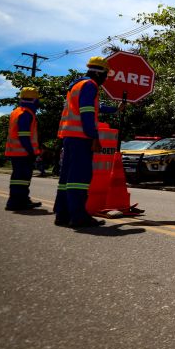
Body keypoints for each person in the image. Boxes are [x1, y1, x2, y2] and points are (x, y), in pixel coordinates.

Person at [53, 56, 121, 227]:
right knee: (79, 178)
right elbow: (87, 114)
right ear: (100, 73)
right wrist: (94, 137)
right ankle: (78, 216)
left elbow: (94, 108)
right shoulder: (90, 86)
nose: (106, 79)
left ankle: (62, 214)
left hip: (69, 137)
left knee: (67, 178)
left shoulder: (77, 85)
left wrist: (115, 109)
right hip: (81, 138)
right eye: (106, 75)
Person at [4, 87, 43, 210]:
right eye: (37, 99)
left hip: (16, 152)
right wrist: (31, 152)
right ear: (33, 99)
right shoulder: (26, 114)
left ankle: (21, 200)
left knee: (20, 178)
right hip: (23, 152)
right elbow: (24, 136)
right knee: (21, 178)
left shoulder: (17, 111)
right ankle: (16, 202)